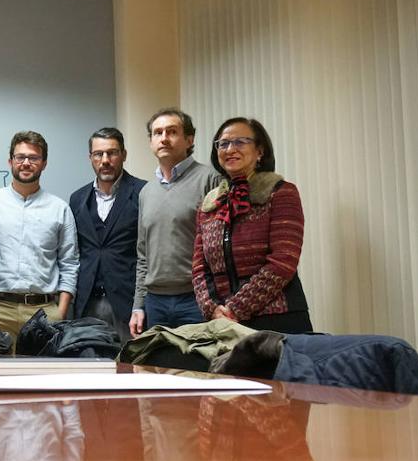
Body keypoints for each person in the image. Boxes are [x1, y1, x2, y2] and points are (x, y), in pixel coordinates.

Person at [192, 118, 311, 333]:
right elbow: (200, 268)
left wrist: (235, 309)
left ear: (260, 151)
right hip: (224, 323)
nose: (230, 149)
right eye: (223, 144)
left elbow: (283, 260)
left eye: (240, 142)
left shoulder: (281, 193)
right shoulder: (210, 203)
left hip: (277, 319)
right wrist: (212, 309)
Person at [0, 131, 80, 347]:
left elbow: (70, 263)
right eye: (20, 157)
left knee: (40, 370)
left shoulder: (60, 208)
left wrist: (60, 312)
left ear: (44, 163)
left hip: (44, 314)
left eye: (33, 158)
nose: (26, 163)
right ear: (10, 161)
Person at [129, 109, 223, 337]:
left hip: (198, 299)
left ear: (189, 140)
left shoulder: (210, 179)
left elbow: (221, 247)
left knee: (198, 360)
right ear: (151, 142)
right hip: (155, 302)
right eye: (157, 133)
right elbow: (143, 254)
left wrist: (219, 300)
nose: (164, 138)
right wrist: (138, 305)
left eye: (172, 132)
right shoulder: (146, 192)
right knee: (158, 360)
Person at [68, 128, 146, 341]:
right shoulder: (77, 199)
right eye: (98, 154)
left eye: (112, 153)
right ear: (90, 158)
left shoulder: (143, 193)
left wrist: (141, 303)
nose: (105, 160)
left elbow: (148, 252)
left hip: (128, 304)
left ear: (124, 155)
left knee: (130, 361)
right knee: (88, 360)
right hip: (87, 304)